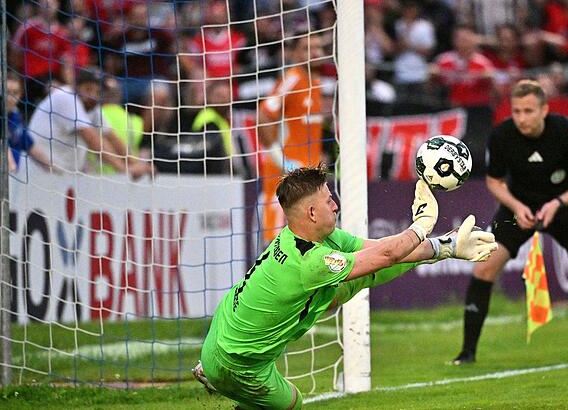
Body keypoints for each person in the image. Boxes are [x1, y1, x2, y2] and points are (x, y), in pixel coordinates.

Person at [192, 166, 498, 409]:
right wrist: (420, 225)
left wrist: (444, 246)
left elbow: (381, 253)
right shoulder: (308, 262)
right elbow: (388, 254)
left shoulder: (316, 238)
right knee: (293, 404)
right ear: (311, 213)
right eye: (328, 201)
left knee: (353, 281)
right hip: (238, 363)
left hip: (223, 334)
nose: (335, 205)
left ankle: (219, 377)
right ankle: (222, 380)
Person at [451, 80, 568, 366]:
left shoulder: (565, 132)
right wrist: (516, 206)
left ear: (544, 110)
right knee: (483, 267)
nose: (522, 118)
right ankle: (466, 354)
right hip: (518, 210)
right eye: (516, 111)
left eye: (528, 111)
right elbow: (494, 181)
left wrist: (558, 203)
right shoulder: (502, 136)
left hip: (563, 209)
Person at [257, 34, 326, 241]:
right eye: (307, 48)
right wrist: (281, 160)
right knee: (278, 242)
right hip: (285, 175)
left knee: (307, 240)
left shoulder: (315, 82)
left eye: (318, 47)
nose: (315, 52)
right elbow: (264, 115)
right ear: (295, 53)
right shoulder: (293, 78)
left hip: (307, 174)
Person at [27, 68, 152, 178]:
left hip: (61, 176)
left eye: (98, 92)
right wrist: (124, 170)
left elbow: (111, 137)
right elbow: (92, 139)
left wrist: (137, 164)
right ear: (76, 87)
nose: (92, 95)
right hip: (37, 172)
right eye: (88, 89)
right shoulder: (65, 97)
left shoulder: (93, 108)